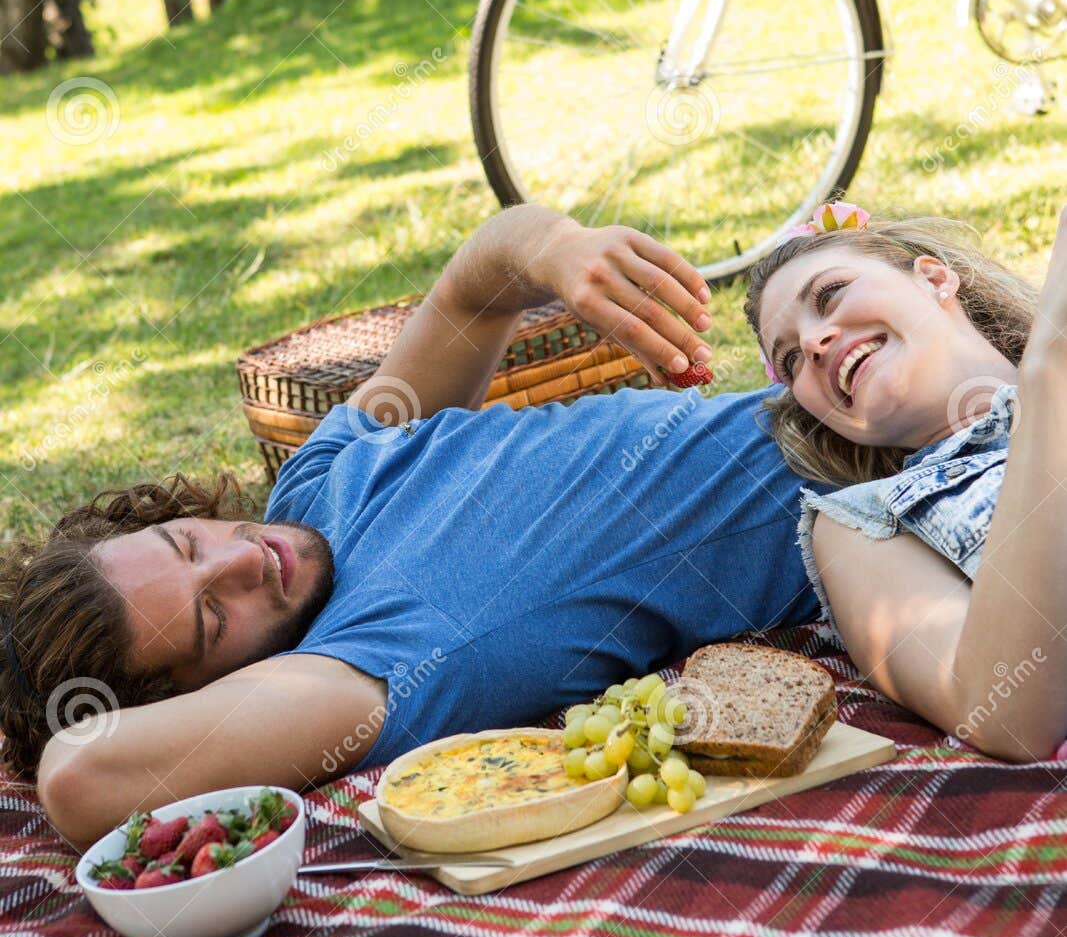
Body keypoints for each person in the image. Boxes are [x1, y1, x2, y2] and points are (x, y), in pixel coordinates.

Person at [4, 204, 824, 850]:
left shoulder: (313, 486)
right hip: (879, 475)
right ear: (211, 694)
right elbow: (79, 778)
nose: (242, 560)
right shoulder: (364, 665)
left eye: (187, 543)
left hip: (820, 381)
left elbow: (475, 287)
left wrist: (555, 251)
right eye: (212, 616)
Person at [747, 199, 1067, 764]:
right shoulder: (860, 525)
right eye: (791, 360)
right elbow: (1006, 714)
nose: (816, 344)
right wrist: (1047, 375)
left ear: (934, 278)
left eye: (829, 295)